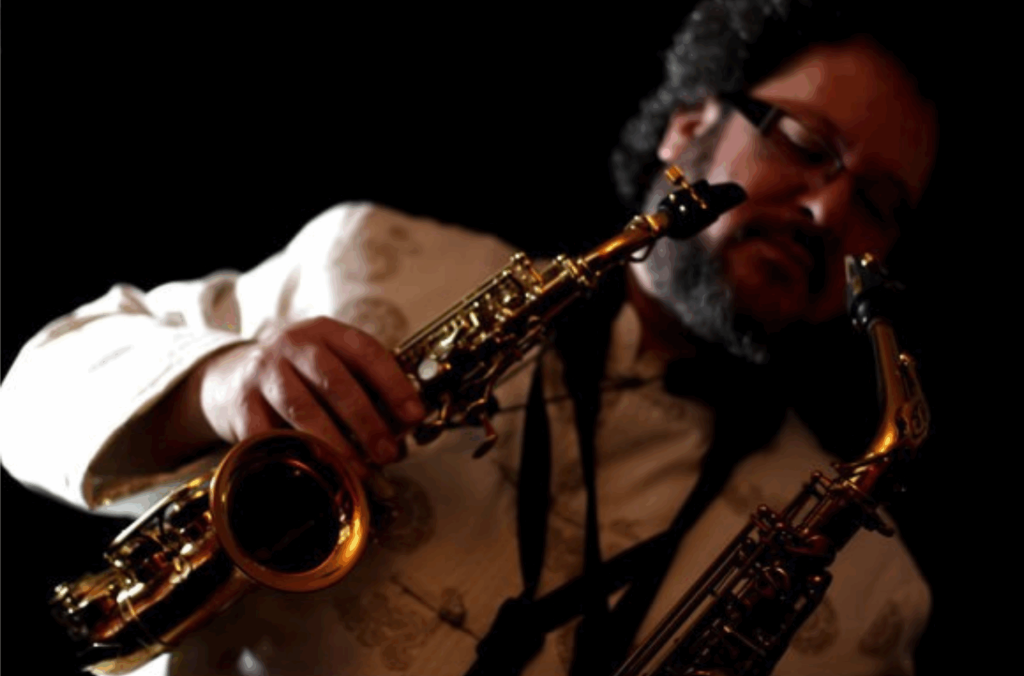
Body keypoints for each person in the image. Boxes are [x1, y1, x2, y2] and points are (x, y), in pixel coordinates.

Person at [0, 1, 947, 674]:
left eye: (877, 202)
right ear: (688, 125)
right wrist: (220, 381)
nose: (827, 212)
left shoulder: (872, 590)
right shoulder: (375, 253)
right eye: (805, 142)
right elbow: (28, 396)